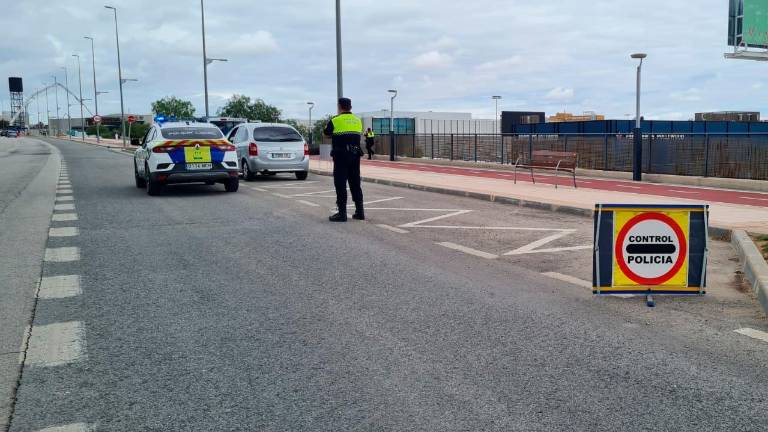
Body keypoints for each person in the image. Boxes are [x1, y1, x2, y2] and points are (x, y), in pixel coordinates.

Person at [324, 98, 364, 222]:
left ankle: (342, 214)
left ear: (339, 106)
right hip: (355, 156)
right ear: (350, 107)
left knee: (340, 183)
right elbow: (356, 134)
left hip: (341, 156)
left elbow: (326, 134)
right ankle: (360, 212)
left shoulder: (335, 120)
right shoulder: (358, 121)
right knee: (355, 183)